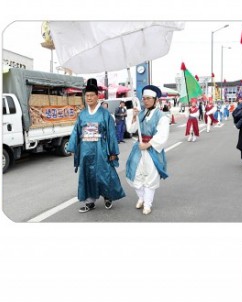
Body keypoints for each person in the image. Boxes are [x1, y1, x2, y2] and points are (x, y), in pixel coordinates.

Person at [68, 78, 125, 213]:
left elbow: (111, 133)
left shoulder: (105, 114)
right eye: (86, 95)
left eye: (91, 95)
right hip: (86, 150)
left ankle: (107, 196)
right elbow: (76, 131)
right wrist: (72, 147)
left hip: (101, 148)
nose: (89, 98)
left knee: (104, 173)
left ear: (97, 96)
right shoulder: (82, 115)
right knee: (87, 175)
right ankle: (89, 201)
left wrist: (112, 152)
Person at [124, 85, 171, 216]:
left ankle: (148, 204)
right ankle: (142, 197)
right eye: (144, 98)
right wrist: (133, 117)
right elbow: (131, 129)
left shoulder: (162, 116)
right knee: (135, 174)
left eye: (148, 98)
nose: (145, 101)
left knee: (150, 176)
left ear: (155, 99)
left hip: (152, 150)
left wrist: (149, 144)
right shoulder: (141, 113)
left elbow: (162, 135)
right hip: (139, 148)